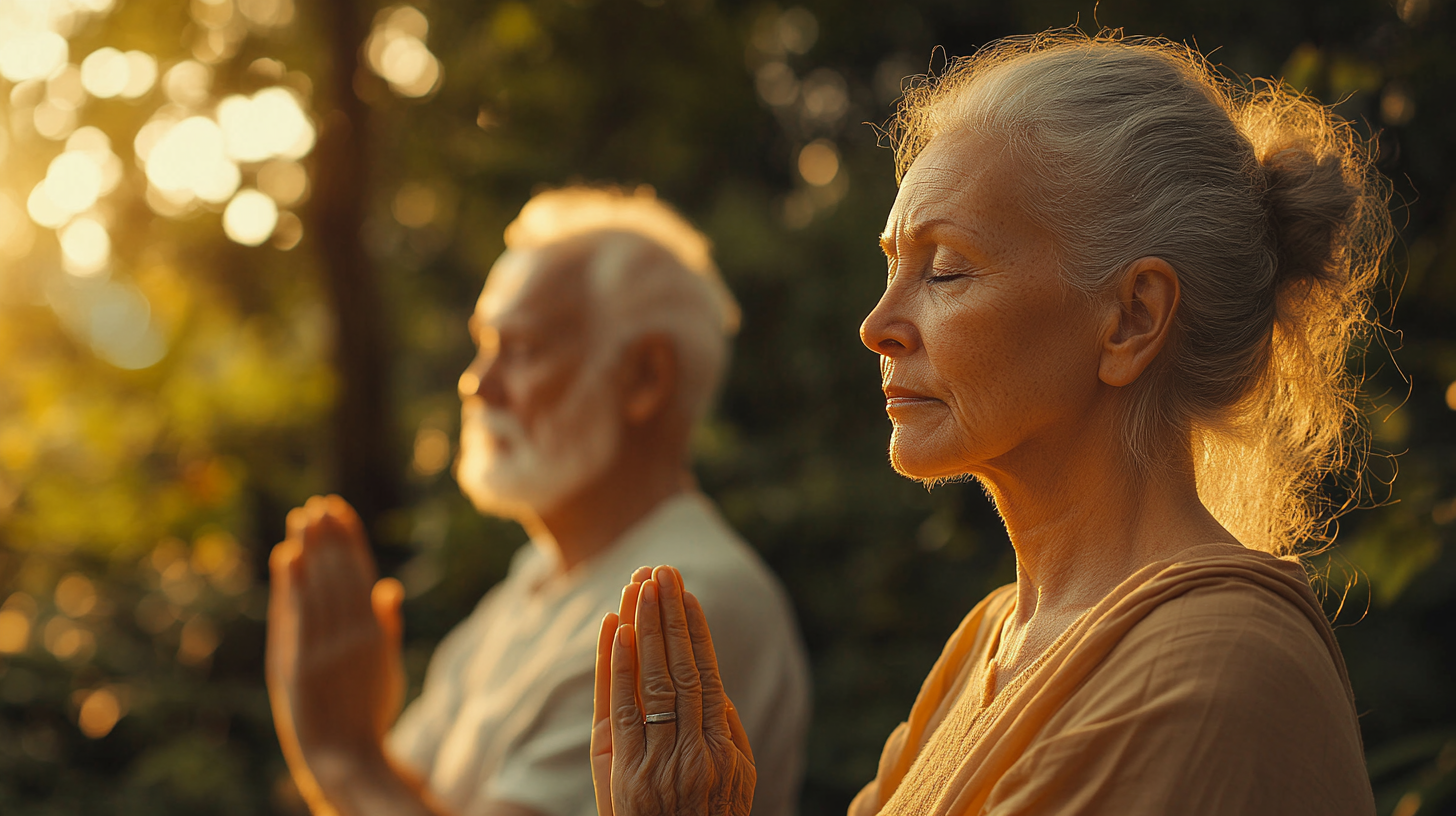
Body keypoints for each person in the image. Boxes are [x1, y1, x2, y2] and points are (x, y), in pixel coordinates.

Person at [592, 33, 1390, 816]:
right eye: (890, 266)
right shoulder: (990, 640)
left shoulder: (1211, 668)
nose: (877, 325)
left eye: (945, 270)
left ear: (1132, 319)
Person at [266, 187, 811, 816]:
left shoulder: (680, 604)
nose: (477, 383)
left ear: (643, 378)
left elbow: (367, 781)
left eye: (520, 349)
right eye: (483, 345)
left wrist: (345, 757)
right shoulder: (534, 584)